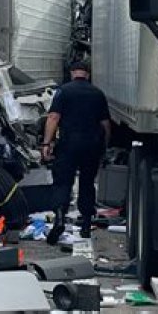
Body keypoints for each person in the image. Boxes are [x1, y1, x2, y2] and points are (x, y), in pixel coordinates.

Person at [41, 61, 111, 244]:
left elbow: (53, 117)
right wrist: (104, 146)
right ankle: (86, 224)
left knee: (62, 182)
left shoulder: (63, 91)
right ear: (87, 74)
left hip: (68, 145)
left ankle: (59, 218)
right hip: (91, 145)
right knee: (87, 183)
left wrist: (46, 143)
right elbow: (105, 124)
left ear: (72, 73)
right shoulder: (98, 93)